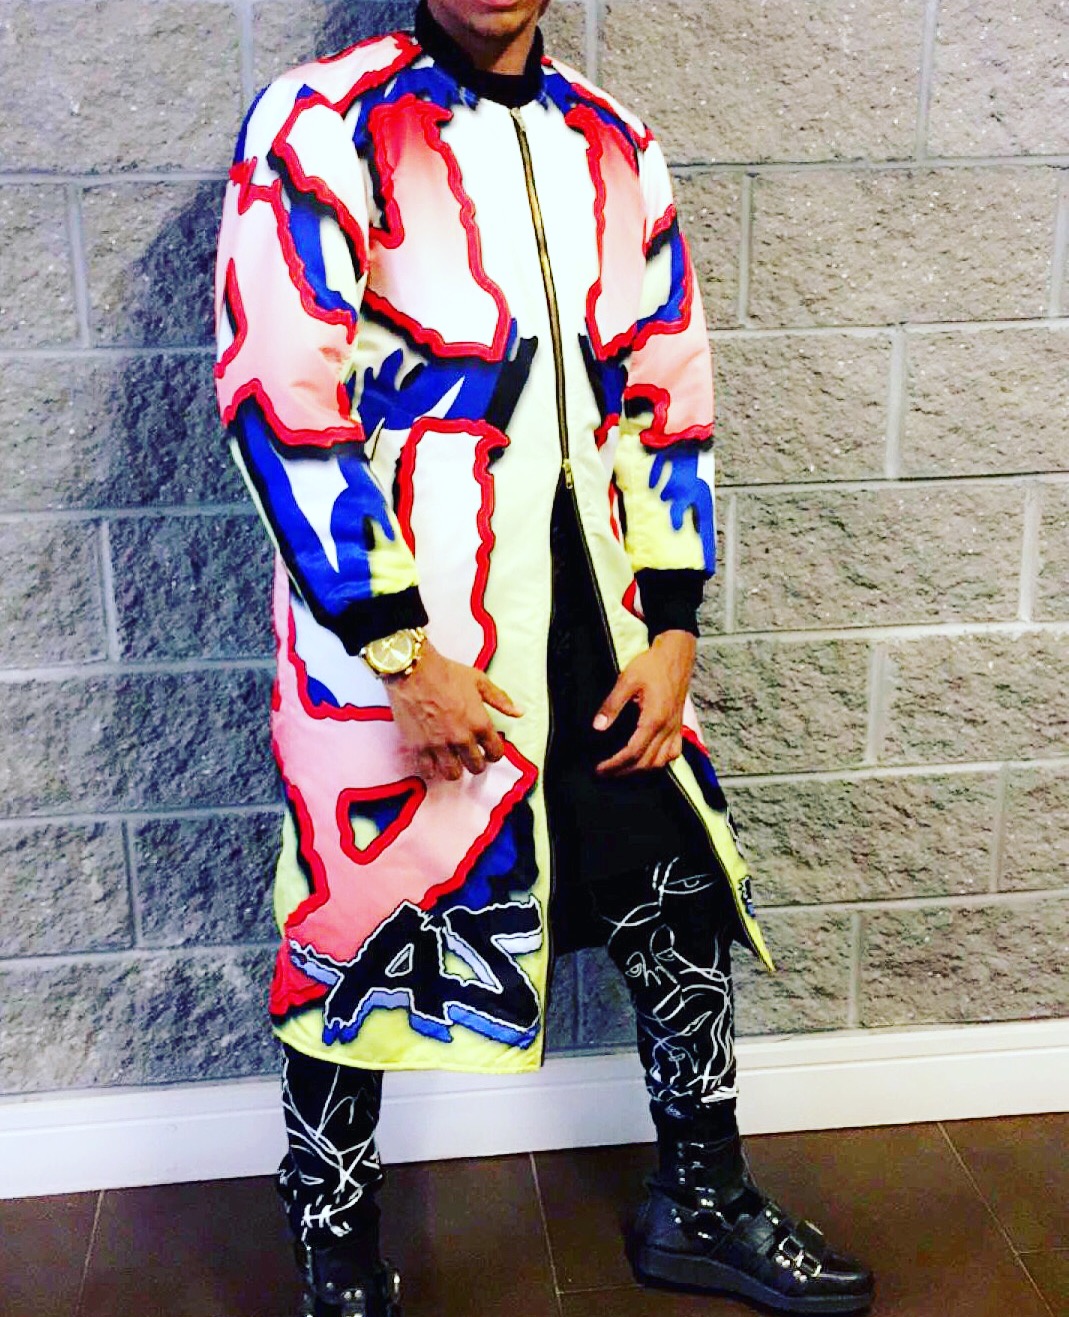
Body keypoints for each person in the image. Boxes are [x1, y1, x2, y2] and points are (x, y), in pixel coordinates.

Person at [213, 2, 875, 1314]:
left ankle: (700, 1201)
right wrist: (397, 650)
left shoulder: (613, 141)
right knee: (356, 932)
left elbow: (667, 389)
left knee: (675, 886)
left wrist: (674, 623)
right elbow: (281, 395)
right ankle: (336, 1257)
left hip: (601, 627)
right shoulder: (322, 121)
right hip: (414, 643)